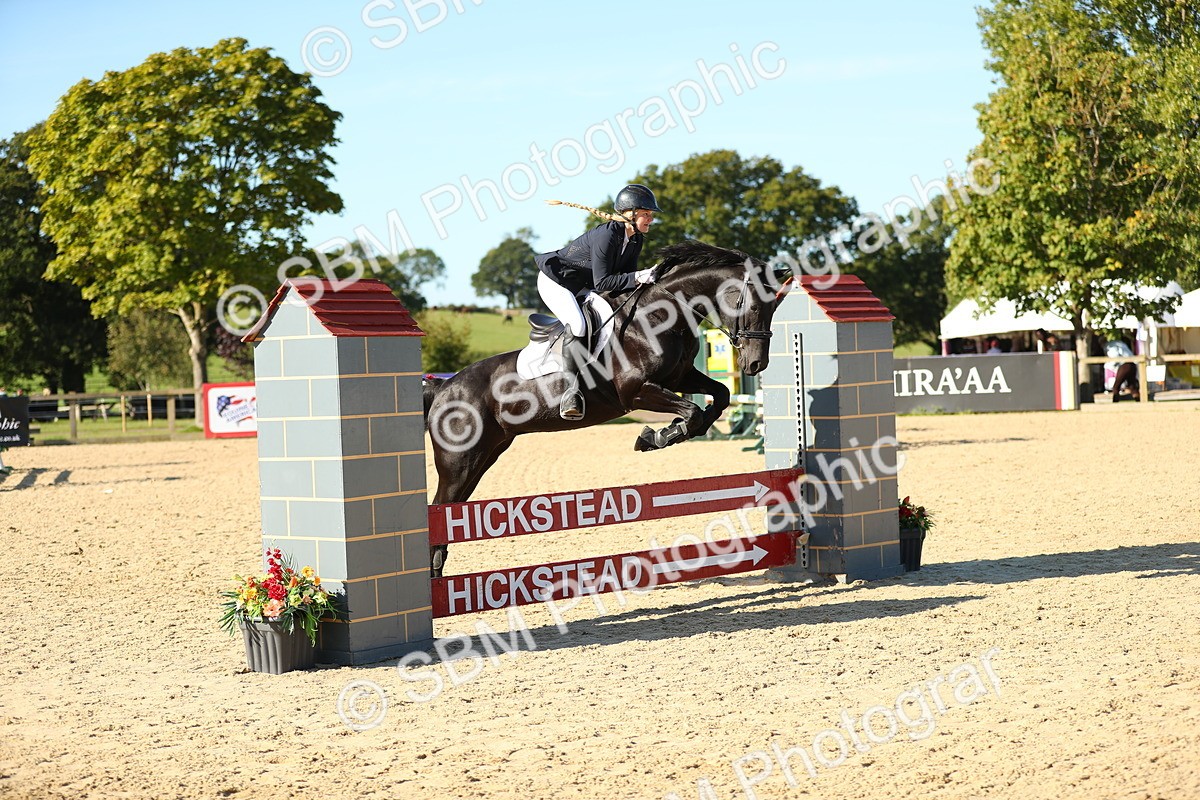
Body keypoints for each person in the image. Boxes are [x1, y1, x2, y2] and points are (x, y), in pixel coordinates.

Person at [534, 183, 663, 420]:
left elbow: (623, 283)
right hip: (557, 282)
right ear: (630, 214)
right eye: (646, 214)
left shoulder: (635, 240)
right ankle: (570, 393)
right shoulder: (607, 236)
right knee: (579, 324)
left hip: (584, 285)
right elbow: (604, 282)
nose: (650, 220)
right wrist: (639, 276)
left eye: (651, 215)